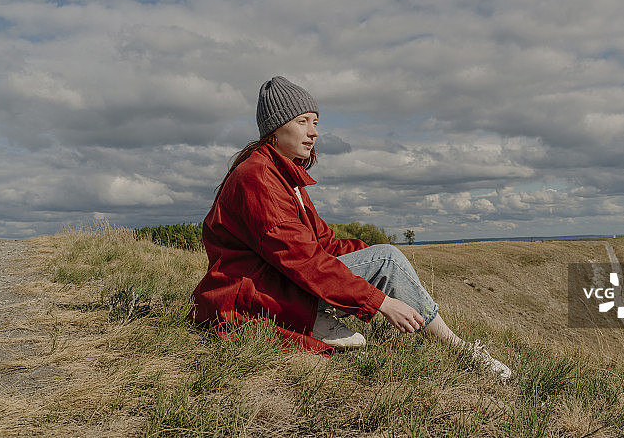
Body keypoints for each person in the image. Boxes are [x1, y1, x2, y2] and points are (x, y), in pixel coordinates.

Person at [189, 76, 511, 381]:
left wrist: (372, 258)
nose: (313, 132)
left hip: (278, 286)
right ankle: (460, 351)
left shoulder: (284, 177)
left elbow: (324, 244)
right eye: (302, 121)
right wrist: (380, 301)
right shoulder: (258, 178)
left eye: (315, 122)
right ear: (275, 128)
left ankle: (453, 346)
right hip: (254, 298)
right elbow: (302, 259)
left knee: (385, 258)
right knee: (387, 260)